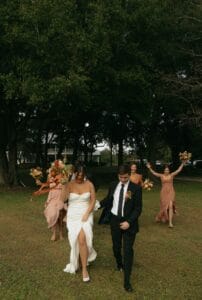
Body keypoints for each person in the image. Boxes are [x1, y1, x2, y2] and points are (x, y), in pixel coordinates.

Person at [99, 165, 142, 293]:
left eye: (125, 177)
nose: (123, 180)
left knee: (128, 250)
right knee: (116, 247)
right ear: (118, 176)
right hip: (115, 220)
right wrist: (95, 205)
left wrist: (129, 222)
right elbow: (108, 200)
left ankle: (127, 281)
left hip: (129, 223)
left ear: (129, 174)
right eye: (120, 177)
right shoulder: (113, 185)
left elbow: (138, 208)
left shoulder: (136, 188)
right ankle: (119, 263)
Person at [62, 165, 97, 282]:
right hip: (73, 215)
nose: (79, 178)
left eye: (82, 176)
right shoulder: (69, 184)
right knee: (77, 240)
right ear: (74, 174)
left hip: (86, 213)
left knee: (83, 239)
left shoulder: (89, 184)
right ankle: (82, 264)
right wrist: (63, 185)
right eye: (78, 176)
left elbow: (92, 201)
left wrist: (87, 213)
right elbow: (63, 199)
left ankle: (84, 268)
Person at [146, 162, 185, 228]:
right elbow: (154, 173)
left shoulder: (172, 175)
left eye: (167, 170)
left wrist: (183, 163)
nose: (166, 171)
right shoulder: (161, 175)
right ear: (164, 171)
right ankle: (161, 216)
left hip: (171, 192)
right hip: (163, 193)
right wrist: (149, 168)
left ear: (169, 171)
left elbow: (178, 170)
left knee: (170, 205)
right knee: (164, 206)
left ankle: (170, 223)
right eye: (165, 170)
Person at [33, 167, 67, 241]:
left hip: (60, 197)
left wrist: (64, 199)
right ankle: (54, 233)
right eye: (51, 171)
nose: (52, 172)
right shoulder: (50, 177)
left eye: (54, 171)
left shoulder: (63, 177)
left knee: (60, 215)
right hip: (52, 198)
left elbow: (65, 188)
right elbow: (48, 186)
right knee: (52, 214)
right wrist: (40, 183)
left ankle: (61, 233)